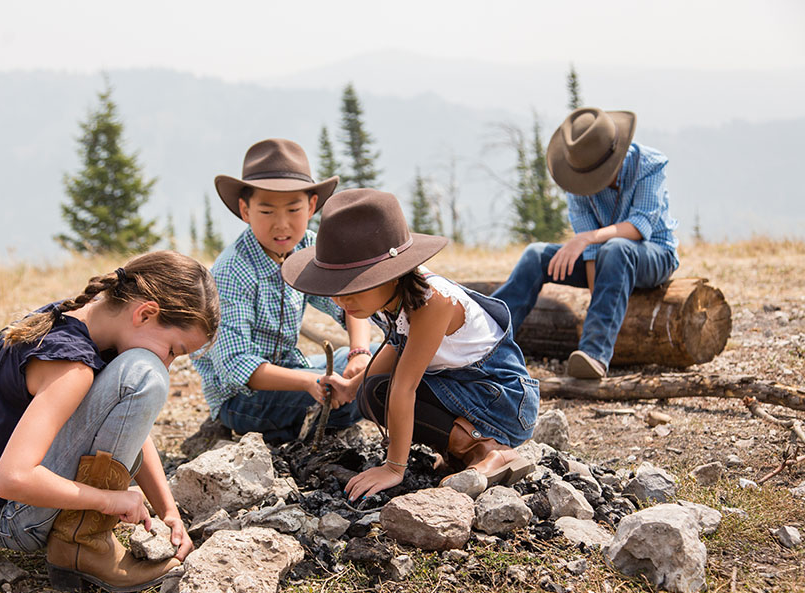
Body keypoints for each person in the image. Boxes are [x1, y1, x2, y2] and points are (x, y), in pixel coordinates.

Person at [0, 250, 219, 593]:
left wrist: (169, 512)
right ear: (145, 313)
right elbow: (11, 478)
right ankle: (82, 545)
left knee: (138, 376)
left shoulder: (81, 319)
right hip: (11, 520)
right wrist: (108, 501)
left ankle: (77, 534)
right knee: (144, 375)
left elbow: (120, 426)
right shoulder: (70, 367)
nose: (168, 365)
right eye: (173, 351)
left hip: (10, 512)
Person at [281, 189, 539, 501]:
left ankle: (488, 449)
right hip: (466, 389)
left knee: (387, 392)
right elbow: (399, 346)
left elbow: (405, 387)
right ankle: (462, 449)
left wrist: (393, 467)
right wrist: (351, 386)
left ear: (391, 274)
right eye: (336, 288)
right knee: (370, 393)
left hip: (503, 399)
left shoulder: (433, 302)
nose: (341, 299)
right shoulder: (390, 297)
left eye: (354, 286)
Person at [192, 138, 373, 444]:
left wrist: (359, 354)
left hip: (293, 369)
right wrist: (311, 381)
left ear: (312, 206)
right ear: (245, 210)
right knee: (357, 393)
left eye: (293, 209)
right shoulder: (232, 271)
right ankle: (296, 431)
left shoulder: (308, 248)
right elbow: (237, 365)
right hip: (242, 399)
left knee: (376, 367)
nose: (282, 225)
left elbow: (350, 300)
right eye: (266, 212)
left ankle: (302, 426)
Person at [492, 107, 679, 379]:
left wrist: (591, 238)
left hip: (654, 254)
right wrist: (599, 293)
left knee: (617, 248)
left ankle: (595, 354)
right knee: (536, 255)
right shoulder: (577, 176)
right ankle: (488, 337)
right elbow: (590, 250)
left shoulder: (650, 165)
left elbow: (640, 227)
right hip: (607, 258)